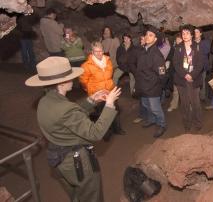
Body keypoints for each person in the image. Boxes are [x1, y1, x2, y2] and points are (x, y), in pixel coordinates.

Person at [25, 56, 121, 202]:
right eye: (70, 78)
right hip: (77, 163)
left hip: (58, 159)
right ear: (62, 83)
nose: (73, 80)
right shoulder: (65, 108)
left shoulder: (45, 101)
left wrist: (91, 100)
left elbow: (67, 117)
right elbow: (95, 133)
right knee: (91, 197)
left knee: (76, 196)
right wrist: (109, 105)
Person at [80, 41, 125, 139]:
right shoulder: (86, 66)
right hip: (97, 94)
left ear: (103, 50)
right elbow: (83, 81)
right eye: (96, 51)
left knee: (114, 110)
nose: (99, 53)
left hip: (110, 90)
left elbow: (110, 75)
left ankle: (117, 129)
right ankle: (106, 133)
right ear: (92, 52)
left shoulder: (108, 61)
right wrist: (92, 91)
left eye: (100, 51)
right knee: (101, 114)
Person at [135, 27, 167, 138]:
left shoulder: (157, 54)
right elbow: (139, 69)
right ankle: (152, 119)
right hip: (143, 86)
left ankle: (162, 124)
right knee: (145, 104)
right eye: (147, 34)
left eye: (151, 35)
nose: (147, 37)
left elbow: (162, 74)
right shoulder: (143, 51)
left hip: (153, 87)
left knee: (155, 108)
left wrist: (160, 87)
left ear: (155, 39)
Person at [173, 25, 204, 132]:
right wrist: (185, 75)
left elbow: (200, 63)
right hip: (182, 79)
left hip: (194, 79)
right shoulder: (178, 47)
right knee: (185, 104)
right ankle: (187, 124)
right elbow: (176, 63)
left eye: (187, 33)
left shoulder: (197, 46)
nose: (185, 35)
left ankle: (198, 123)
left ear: (191, 35)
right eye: (183, 33)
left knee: (196, 103)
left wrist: (192, 75)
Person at [167, 34, 183, 112]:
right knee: (176, 90)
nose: (178, 41)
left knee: (184, 90)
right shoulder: (173, 48)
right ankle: (174, 105)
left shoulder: (185, 48)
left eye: (179, 39)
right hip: (174, 72)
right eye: (177, 39)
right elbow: (169, 58)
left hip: (183, 73)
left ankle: (187, 105)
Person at [194, 27, 211, 101]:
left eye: (197, 32)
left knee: (202, 81)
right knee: (195, 81)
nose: (195, 33)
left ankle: (202, 96)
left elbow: (206, 51)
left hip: (203, 65)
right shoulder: (192, 42)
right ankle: (195, 96)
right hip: (194, 66)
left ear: (201, 33)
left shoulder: (205, 42)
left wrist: (198, 46)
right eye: (194, 32)